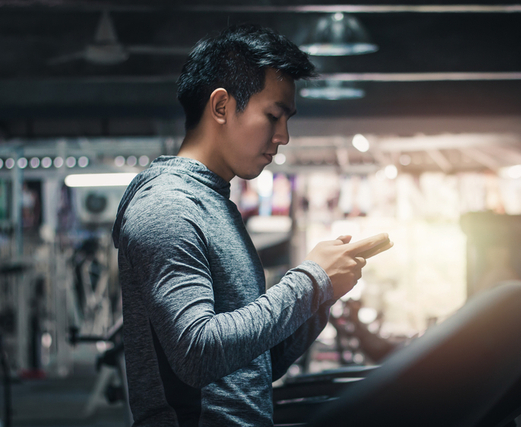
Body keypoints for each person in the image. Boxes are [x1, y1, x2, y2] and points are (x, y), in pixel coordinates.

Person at [111, 24, 391, 426]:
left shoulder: (216, 205)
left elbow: (251, 368)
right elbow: (197, 354)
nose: (284, 136)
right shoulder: (168, 207)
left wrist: (320, 298)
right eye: (274, 116)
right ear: (221, 106)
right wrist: (308, 282)